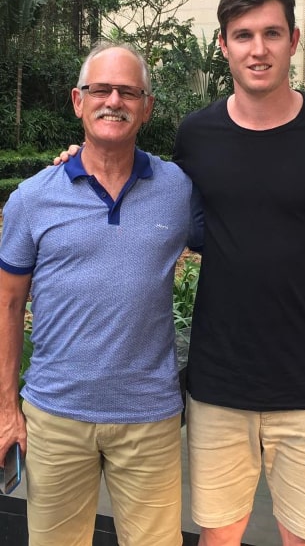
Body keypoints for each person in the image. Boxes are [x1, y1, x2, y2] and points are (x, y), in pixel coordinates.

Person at [173, 0, 305, 546]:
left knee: (303, 537)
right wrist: (76, 164)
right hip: (219, 377)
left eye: (272, 34)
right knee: (218, 536)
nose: (258, 49)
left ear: (295, 40)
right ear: (224, 44)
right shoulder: (197, 134)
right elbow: (153, 198)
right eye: (243, 35)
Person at [0, 42, 200, 546]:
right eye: (101, 89)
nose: (114, 100)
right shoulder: (33, 197)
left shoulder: (178, 187)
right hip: (56, 415)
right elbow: (7, 304)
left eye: (128, 91)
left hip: (149, 418)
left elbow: (238, 239)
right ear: (77, 100)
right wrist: (6, 408)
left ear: (146, 106)